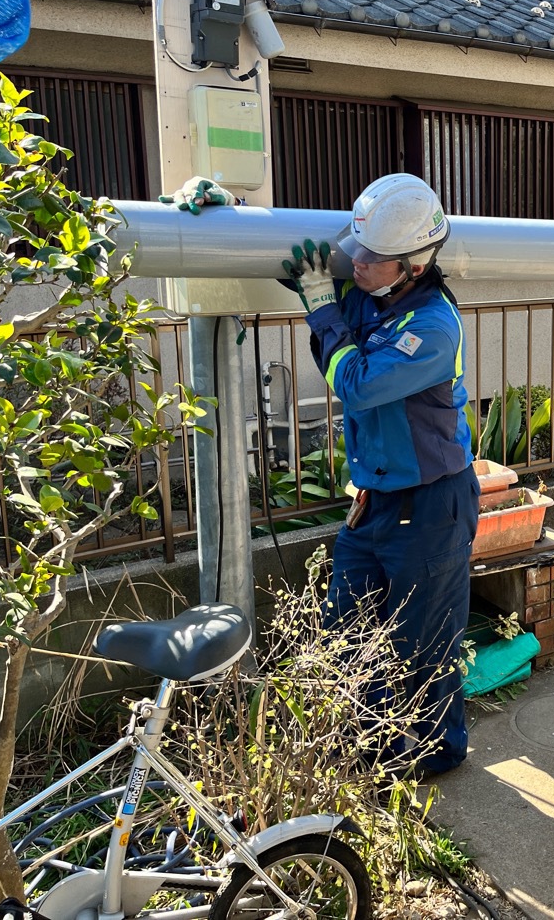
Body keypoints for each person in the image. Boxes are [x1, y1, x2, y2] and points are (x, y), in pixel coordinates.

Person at [164, 174, 479, 777]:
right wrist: (231, 210)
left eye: (372, 257)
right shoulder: (373, 290)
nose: (355, 262)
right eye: (356, 249)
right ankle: (368, 742)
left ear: (413, 266)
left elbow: (356, 384)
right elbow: (294, 262)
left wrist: (321, 308)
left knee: (424, 641)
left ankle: (434, 753)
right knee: (347, 626)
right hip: (376, 501)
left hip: (432, 505)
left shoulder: (433, 328)